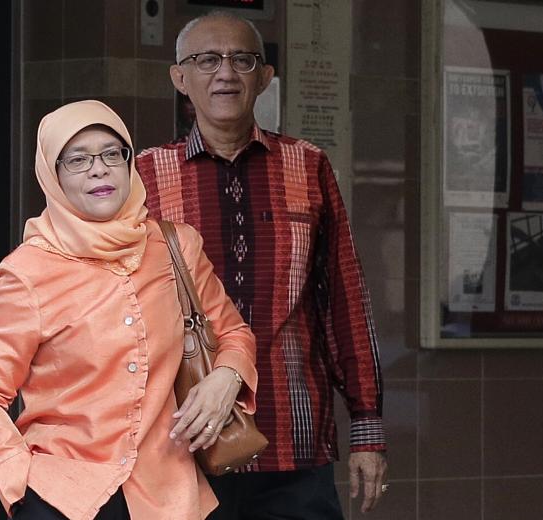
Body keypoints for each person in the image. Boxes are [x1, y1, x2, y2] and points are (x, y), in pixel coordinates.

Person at [0, 100, 258, 520]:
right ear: (53, 175)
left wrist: (227, 376)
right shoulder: (27, 273)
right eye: (77, 159)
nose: (99, 169)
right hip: (65, 496)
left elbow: (234, 334)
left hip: (169, 494)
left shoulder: (177, 247)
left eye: (111, 153)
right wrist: (20, 477)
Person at [136, 11, 387, 518]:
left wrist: (367, 427)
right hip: (181, 441)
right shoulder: (144, 176)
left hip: (293, 441)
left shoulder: (309, 165)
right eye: (206, 60)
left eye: (242, 60)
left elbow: (344, 302)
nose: (225, 73)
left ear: (265, 77)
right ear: (179, 78)